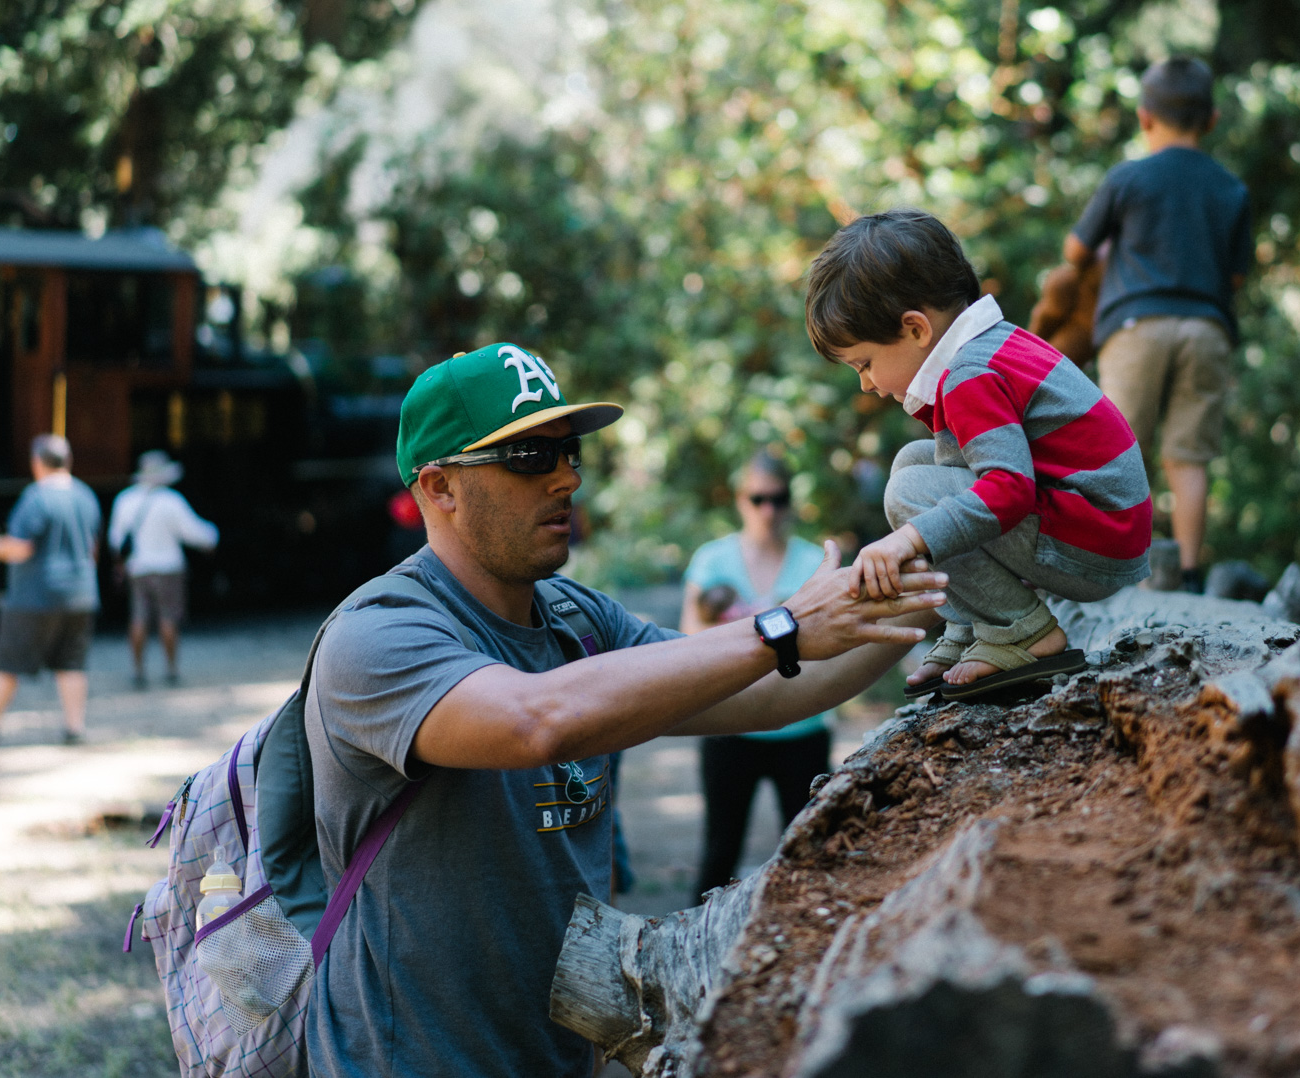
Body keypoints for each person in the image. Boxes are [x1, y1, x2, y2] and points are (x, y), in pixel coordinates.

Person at [304, 343, 946, 1078]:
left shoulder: (579, 620)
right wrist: (780, 627)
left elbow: (768, 689)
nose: (566, 477)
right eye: (528, 457)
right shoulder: (377, 633)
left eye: (568, 451)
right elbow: (534, 721)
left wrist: (940, 588)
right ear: (441, 486)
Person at [805, 208, 1153, 701]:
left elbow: (1008, 490)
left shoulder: (971, 373)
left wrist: (908, 540)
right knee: (912, 463)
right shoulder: (987, 347)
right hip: (1094, 527)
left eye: (864, 363)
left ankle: (1023, 631)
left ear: (915, 330)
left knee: (911, 492)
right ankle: (975, 625)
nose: (866, 383)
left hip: (1094, 540)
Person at [1063, 56, 1253, 593]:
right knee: (1188, 456)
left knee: (1118, 448)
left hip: (1135, 326)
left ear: (1145, 118)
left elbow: (1076, 250)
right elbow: (1235, 277)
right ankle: (1188, 572)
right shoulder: (1231, 190)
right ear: (1212, 120)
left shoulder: (1128, 178)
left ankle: (1111, 568)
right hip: (1207, 328)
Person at [681, 452, 834, 902]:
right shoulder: (712, 559)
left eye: (779, 499)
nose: (769, 510)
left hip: (802, 727)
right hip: (730, 727)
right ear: (740, 500)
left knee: (810, 854)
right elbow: (690, 638)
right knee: (719, 852)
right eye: (758, 498)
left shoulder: (814, 561)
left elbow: (832, 643)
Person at [0, 434, 101, 746]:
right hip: (81, 593)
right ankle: (74, 727)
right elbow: (93, 549)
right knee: (71, 662)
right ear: (68, 461)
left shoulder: (36, 497)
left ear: (37, 463)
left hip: (36, 595)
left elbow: (21, 548)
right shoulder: (85, 495)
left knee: (9, 662)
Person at [108, 449, 219, 687]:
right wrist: (212, 537)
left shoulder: (125, 500)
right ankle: (171, 670)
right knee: (168, 619)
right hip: (169, 568)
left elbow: (115, 540)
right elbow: (194, 532)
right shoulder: (172, 501)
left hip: (137, 568)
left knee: (138, 618)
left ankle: (138, 671)